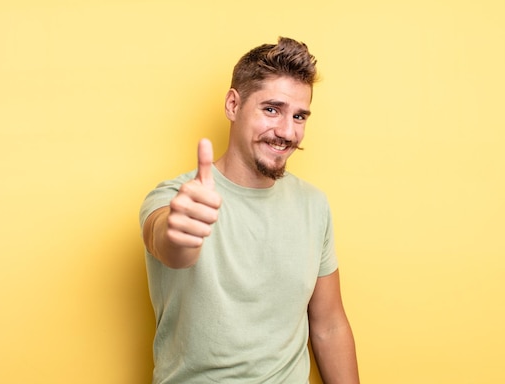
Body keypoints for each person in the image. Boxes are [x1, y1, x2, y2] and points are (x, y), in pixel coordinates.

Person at [140, 36, 359, 384]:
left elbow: (329, 325)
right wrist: (178, 232)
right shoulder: (176, 198)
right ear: (232, 105)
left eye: (299, 116)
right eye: (271, 109)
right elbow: (167, 242)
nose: (287, 132)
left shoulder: (314, 205)